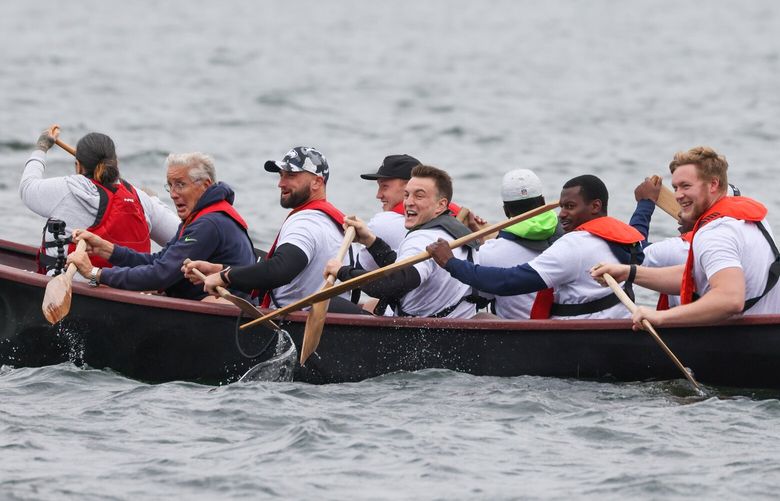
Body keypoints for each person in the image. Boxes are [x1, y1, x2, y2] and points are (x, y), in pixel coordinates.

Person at [592, 146, 780, 328]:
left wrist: (661, 317)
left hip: (741, 345)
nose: (678, 196)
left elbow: (730, 299)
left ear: (714, 184)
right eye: (675, 187)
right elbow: (695, 275)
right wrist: (629, 272)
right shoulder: (749, 220)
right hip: (766, 335)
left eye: (686, 186)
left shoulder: (715, 234)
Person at [426, 175, 644, 319]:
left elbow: (508, 281)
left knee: (481, 317)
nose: (562, 215)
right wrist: (645, 205)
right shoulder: (622, 237)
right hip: (617, 322)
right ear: (542, 203)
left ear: (595, 206)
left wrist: (451, 262)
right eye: (561, 207)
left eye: (569, 207)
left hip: (574, 341)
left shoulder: (574, 244)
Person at [183, 147, 361, 312]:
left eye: (290, 175)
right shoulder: (332, 222)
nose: (281, 183)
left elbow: (281, 269)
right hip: (316, 317)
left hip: (291, 323)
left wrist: (226, 277)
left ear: (316, 182)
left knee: (209, 302)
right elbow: (286, 271)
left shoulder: (306, 221)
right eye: (281, 175)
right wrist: (219, 269)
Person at [66, 152, 255, 300]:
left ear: (205, 185)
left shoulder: (208, 224)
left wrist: (93, 274)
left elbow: (160, 275)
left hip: (219, 315)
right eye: (170, 186)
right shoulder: (200, 216)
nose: (173, 194)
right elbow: (159, 261)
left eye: (180, 185)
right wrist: (106, 249)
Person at [19, 125, 179, 274]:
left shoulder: (71, 188)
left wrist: (41, 148)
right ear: (116, 163)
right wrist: (154, 201)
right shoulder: (140, 198)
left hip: (77, 285)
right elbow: (180, 236)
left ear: (78, 166)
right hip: (133, 288)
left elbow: (27, 187)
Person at [325, 165, 477, 319]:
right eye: (406, 195)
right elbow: (403, 269)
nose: (408, 202)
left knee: (328, 304)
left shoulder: (423, 239)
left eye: (419, 196)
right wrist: (371, 242)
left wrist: (342, 272)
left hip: (421, 334)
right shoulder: (454, 232)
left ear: (441, 205)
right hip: (453, 323)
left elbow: (394, 284)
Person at [357, 154, 474, 270]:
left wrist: (343, 272)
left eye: (385, 187)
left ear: (411, 185)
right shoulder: (453, 220)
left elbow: (362, 271)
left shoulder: (382, 222)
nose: (378, 195)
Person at [475, 169, 562, 319]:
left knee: (480, 317)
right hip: (565, 327)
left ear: (505, 210)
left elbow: (481, 299)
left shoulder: (488, 252)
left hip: (518, 334)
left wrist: (478, 243)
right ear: (543, 202)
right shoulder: (572, 234)